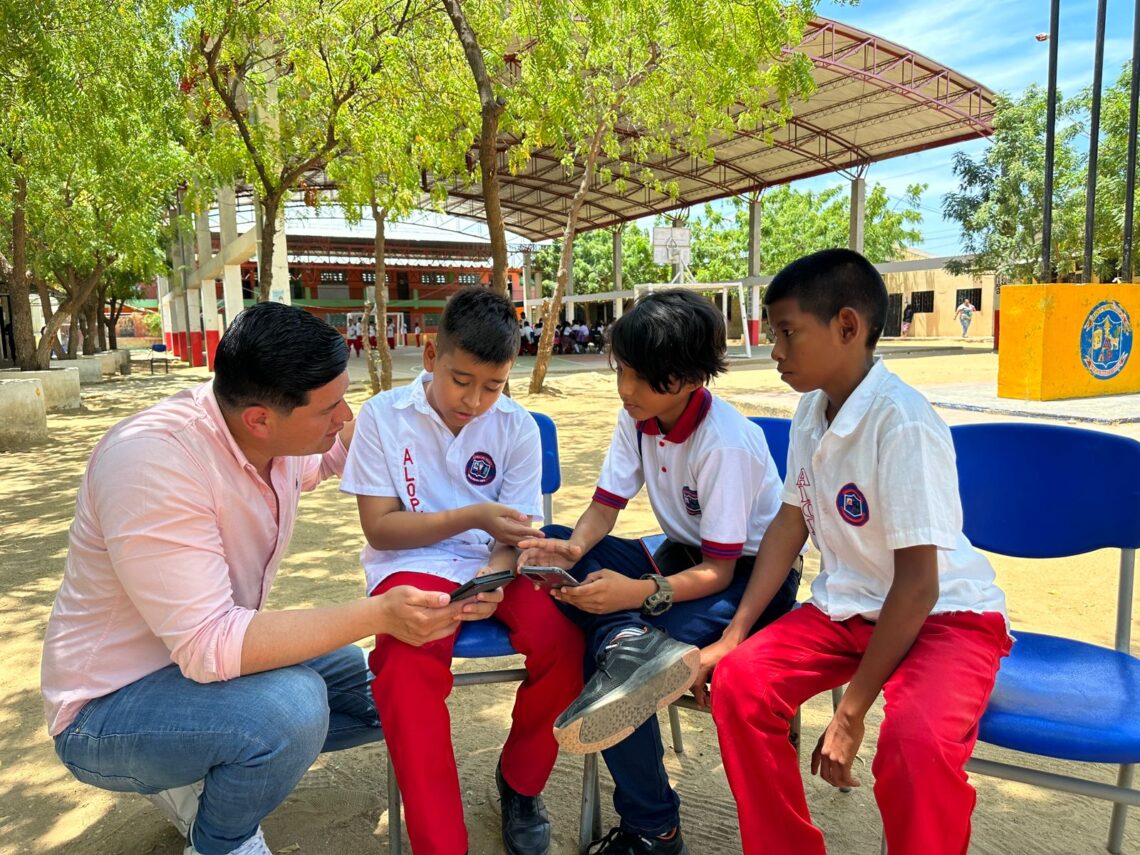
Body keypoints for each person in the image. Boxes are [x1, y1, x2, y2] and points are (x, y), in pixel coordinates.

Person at [41, 303, 496, 855]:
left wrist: (431, 401)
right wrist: (377, 613)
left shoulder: (267, 439)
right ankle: (221, 841)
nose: (343, 415)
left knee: (381, 694)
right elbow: (210, 646)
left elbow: (340, 451)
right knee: (290, 708)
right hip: (110, 709)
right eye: (329, 408)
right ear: (260, 417)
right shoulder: (152, 464)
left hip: (193, 670)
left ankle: (205, 761)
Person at [702, 249, 1010, 855]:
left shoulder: (902, 424)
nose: (775, 350)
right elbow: (791, 523)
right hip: (850, 610)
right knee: (739, 684)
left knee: (915, 745)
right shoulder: (810, 410)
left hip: (944, 617)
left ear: (848, 326)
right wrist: (737, 632)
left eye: (788, 332)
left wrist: (850, 715)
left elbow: (918, 585)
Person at [518, 289, 800, 855]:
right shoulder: (640, 416)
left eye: (641, 377)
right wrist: (572, 550)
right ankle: (628, 639)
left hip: (748, 576)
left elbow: (720, 572)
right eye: (622, 370)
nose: (625, 388)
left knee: (617, 669)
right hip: (680, 556)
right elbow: (605, 508)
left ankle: (654, 829)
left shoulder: (726, 444)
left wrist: (637, 592)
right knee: (547, 545)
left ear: (688, 378)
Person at [340, 287, 584, 855]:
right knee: (404, 672)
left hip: (497, 565)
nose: (474, 400)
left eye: (493, 386)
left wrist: (495, 580)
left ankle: (521, 783)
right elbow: (380, 528)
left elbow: (521, 536)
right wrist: (472, 515)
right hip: (411, 563)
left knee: (566, 643)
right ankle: (440, 843)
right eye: (461, 380)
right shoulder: (382, 416)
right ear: (431, 357)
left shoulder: (516, 428)